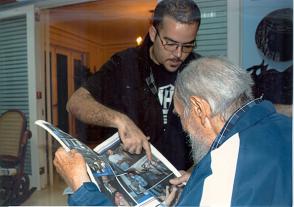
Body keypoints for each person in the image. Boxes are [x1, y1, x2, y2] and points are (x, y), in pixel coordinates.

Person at [54, 57, 292, 206]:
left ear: (200, 108)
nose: (185, 129)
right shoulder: (283, 126)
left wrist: (82, 188)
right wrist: (199, 182)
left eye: (181, 117)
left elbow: (228, 183)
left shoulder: (225, 171)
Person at [66, 0, 201, 170]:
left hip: (183, 182)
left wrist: (193, 173)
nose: (179, 54)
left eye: (187, 45)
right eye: (171, 43)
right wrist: (120, 120)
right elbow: (76, 102)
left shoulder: (199, 69)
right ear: (153, 33)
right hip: (131, 178)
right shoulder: (124, 64)